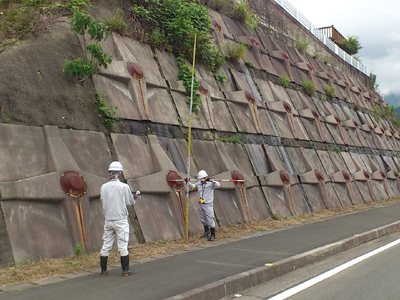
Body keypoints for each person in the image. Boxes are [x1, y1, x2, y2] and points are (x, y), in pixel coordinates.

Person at [99, 161, 140, 277]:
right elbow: (130, 201)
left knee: (106, 244)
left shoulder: (103, 187)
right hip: (120, 219)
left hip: (108, 219)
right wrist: (135, 196)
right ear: (120, 173)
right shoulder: (124, 186)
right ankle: (125, 270)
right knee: (122, 245)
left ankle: (103, 271)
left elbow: (103, 201)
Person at [186, 170, 220, 241]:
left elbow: (218, 185)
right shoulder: (199, 183)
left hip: (208, 204)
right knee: (203, 218)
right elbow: (192, 187)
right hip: (201, 203)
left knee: (210, 218)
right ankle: (206, 232)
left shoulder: (210, 184)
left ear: (206, 177)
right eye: (200, 179)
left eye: (202, 179)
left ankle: (213, 234)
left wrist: (212, 181)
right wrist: (187, 182)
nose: (201, 181)